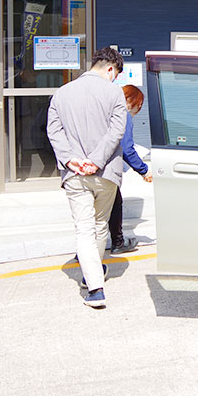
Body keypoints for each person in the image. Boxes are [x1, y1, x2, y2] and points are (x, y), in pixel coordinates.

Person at [46, 47, 127, 309]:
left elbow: (53, 130)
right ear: (111, 69)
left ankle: (94, 286)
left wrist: (71, 159)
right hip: (105, 173)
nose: (114, 80)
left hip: (75, 173)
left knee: (83, 227)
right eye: (115, 75)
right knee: (100, 223)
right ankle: (93, 275)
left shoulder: (62, 93)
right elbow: (117, 132)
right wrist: (96, 160)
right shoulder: (114, 92)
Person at [107, 84, 153, 254]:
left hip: (88, 167)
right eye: (138, 105)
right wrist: (144, 170)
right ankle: (118, 242)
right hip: (107, 170)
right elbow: (127, 148)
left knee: (99, 210)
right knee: (114, 204)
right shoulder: (123, 115)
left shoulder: (105, 112)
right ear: (132, 102)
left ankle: (82, 251)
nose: (138, 110)